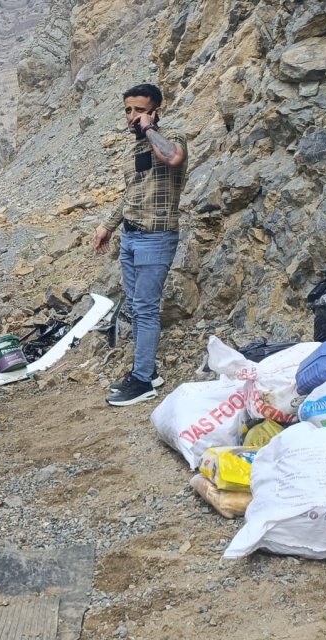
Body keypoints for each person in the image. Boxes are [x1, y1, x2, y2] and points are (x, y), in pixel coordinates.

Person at [91, 83, 187, 407]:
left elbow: (172, 157)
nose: (133, 117)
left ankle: (143, 380)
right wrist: (108, 225)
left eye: (140, 111)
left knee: (145, 309)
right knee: (134, 307)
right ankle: (150, 370)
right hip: (130, 238)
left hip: (156, 237)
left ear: (156, 110)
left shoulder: (171, 138)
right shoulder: (133, 151)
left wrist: (149, 128)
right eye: (129, 111)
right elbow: (131, 193)